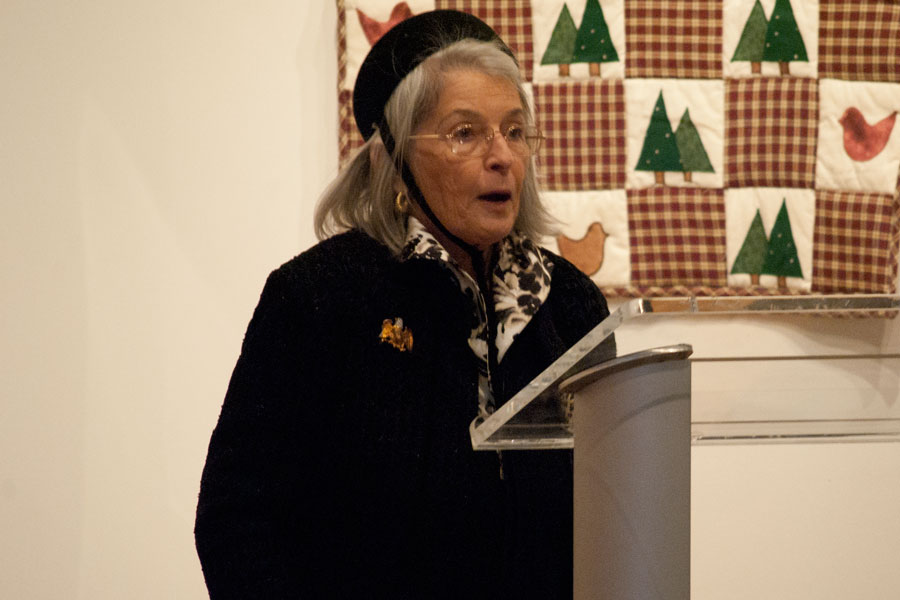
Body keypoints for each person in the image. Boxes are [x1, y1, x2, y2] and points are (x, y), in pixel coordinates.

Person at [195, 10, 613, 599]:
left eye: (515, 131)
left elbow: (615, 506)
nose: (502, 156)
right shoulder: (320, 297)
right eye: (465, 133)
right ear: (391, 159)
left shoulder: (570, 305)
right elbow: (237, 521)